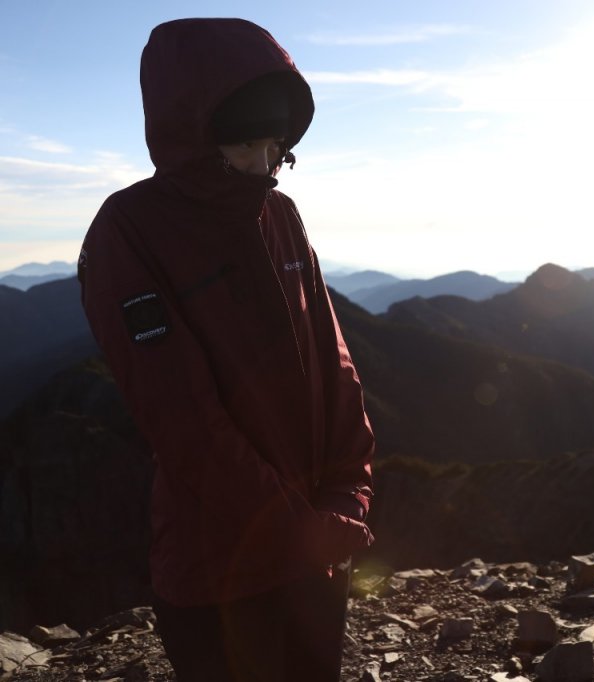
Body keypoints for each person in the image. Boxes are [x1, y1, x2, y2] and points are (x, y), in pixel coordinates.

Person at [77, 18, 375, 682]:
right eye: (249, 146)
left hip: (314, 557)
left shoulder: (281, 217)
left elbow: (335, 363)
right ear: (194, 133)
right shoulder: (128, 234)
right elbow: (184, 422)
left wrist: (348, 492)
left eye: (279, 150)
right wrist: (297, 527)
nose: (267, 169)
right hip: (217, 575)